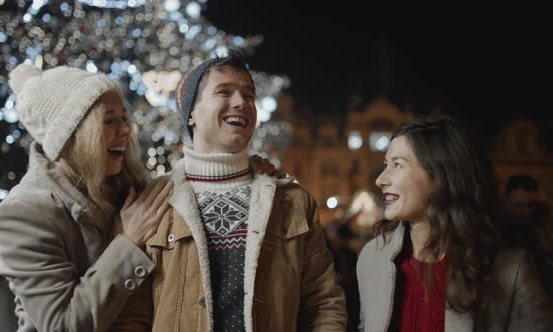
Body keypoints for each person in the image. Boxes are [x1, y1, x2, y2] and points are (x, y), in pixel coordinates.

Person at [139, 49, 346, 331]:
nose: (241, 102)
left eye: (249, 96)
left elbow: (324, 304)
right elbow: (132, 314)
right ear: (192, 115)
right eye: (224, 92)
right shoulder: (155, 201)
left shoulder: (293, 202)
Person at [0, 64, 172, 332]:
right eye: (108, 120)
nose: (125, 131)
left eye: (124, 117)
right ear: (71, 135)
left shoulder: (124, 184)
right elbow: (63, 324)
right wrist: (128, 245)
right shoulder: (22, 214)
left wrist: (249, 169)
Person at [356, 115, 553, 332]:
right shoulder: (372, 259)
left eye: (397, 165)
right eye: (386, 164)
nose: (380, 179)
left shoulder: (509, 268)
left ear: (440, 176)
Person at [502, 174, 553, 297]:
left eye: (531, 205)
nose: (526, 212)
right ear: (506, 200)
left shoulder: (543, 217)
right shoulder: (496, 222)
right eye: (518, 206)